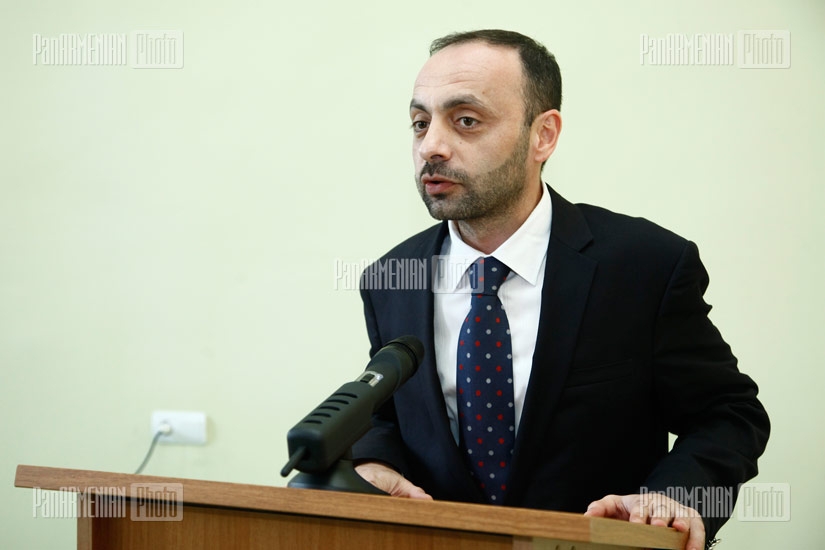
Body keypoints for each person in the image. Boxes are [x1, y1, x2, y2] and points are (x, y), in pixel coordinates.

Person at [352, 29, 769, 550]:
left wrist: (675, 497)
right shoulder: (392, 278)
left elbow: (728, 414)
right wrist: (372, 461)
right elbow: (393, 416)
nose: (431, 146)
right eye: (420, 123)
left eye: (466, 120)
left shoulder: (644, 266)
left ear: (543, 135)